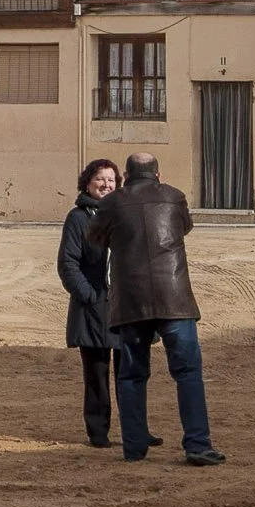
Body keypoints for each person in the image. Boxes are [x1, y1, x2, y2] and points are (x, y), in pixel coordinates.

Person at [88, 152, 224, 466]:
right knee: (188, 373)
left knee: (132, 375)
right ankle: (197, 444)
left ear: (125, 175)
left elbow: (95, 237)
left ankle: (134, 448)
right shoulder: (174, 197)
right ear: (158, 174)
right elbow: (183, 228)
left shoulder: (111, 204)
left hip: (132, 299)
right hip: (174, 298)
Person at [56, 158, 138, 449]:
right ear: (88, 184)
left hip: (123, 305)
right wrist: (89, 296)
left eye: (111, 180)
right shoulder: (78, 218)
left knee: (128, 373)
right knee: (97, 375)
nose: (106, 185)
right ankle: (98, 432)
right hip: (93, 305)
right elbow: (68, 264)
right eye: (100, 180)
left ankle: (135, 430)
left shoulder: (125, 214)